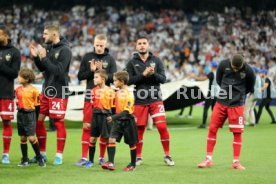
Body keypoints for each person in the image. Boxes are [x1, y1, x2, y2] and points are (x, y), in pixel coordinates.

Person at [198, 54, 255, 170]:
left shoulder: (249, 70)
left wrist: (238, 94)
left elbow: (250, 87)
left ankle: (236, 162)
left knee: (237, 133)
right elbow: (218, 80)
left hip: (237, 105)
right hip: (221, 102)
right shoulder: (223, 64)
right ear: (231, 62)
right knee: (212, 129)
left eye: (237, 69)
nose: (235, 70)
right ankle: (208, 159)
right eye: (233, 67)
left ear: (243, 64)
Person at [126, 34, 174, 166]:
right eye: (139, 43)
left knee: (162, 126)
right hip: (140, 101)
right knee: (139, 129)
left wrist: (153, 74)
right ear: (136, 46)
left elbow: (163, 79)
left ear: (148, 45)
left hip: (155, 99)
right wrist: (143, 75)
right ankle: (139, 157)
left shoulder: (157, 61)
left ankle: (167, 155)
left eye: (144, 43)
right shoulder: (131, 63)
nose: (142, 45)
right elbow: (128, 81)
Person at [29, 22, 72, 165]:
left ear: (54, 34)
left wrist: (45, 58)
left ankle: (59, 155)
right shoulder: (47, 47)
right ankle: (42, 154)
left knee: (58, 122)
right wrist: (36, 58)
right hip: (46, 89)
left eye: (45, 34)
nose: (43, 36)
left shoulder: (66, 50)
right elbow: (44, 68)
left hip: (59, 91)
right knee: (38, 121)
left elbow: (58, 71)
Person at [76, 34, 117, 166]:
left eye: (101, 45)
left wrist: (101, 72)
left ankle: (101, 157)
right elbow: (80, 76)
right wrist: (92, 72)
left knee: (105, 130)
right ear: (94, 44)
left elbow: (114, 79)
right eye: (97, 45)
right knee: (87, 127)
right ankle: (84, 157)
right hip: (90, 96)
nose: (99, 48)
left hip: (105, 99)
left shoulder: (110, 59)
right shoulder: (87, 57)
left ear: (105, 45)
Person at [102, 71, 138, 171]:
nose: (113, 82)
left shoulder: (129, 94)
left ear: (121, 82)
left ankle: (133, 164)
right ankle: (111, 163)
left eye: (115, 81)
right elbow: (115, 107)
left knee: (132, 143)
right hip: (118, 121)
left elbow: (127, 111)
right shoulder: (117, 92)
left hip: (128, 121)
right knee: (111, 139)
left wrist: (113, 117)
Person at [15, 68, 45, 167]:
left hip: (30, 115)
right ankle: (25, 160)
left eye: (20, 76)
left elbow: (37, 106)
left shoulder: (34, 91)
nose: (18, 77)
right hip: (20, 114)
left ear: (27, 79)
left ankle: (39, 158)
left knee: (32, 138)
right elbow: (18, 102)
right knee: (23, 137)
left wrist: (35, 119)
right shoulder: (18, 89)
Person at [84, 69, 114, 168]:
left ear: (103, 78)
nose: (94, 79)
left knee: (107, 138)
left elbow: (113, 106)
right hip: (95, 116)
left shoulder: (110, 91)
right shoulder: (93, 90)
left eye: (96, 77)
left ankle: (106, 160)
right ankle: (91, 161)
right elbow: (91, 106)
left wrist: (112, 117)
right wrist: (88, 120)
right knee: (92, 138)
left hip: (106, 116)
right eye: (94, 77)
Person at [0, 24, 21, 164]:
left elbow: (14, 73)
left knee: (6, 122)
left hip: (5, 92)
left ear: (6, 35)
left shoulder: (14, 52)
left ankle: (5, 154)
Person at [189, 61, 219, 128]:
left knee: (206, 109)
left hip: (211, 93)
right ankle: (216, 124)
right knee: (214, 110)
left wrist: (194, 77)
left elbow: (203, 79)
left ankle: (204, 124)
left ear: (212, 66)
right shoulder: (219, 73)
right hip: (217, 94)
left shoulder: (212, 73)